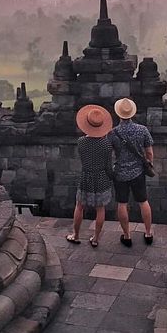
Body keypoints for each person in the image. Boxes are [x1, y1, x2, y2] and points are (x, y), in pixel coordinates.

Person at [66, 104, 114, 248]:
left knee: (79, 206)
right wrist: (112, 176)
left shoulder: (81, 142)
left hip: (86, 177)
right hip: (101, 178)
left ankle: (75, 235)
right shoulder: (106, 144)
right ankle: (96, 238)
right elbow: (107, 166)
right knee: (100, 209)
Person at [109, 97, 154, 247]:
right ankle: (148, 233)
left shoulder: (113, 133)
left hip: (120, 172)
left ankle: (127, 235)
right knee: (143, 201)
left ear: (118, 114)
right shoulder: (142, 130)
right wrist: (149, 163)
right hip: (138, 172)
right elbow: (149, 152)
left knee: (122, 203)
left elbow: (109, 152)